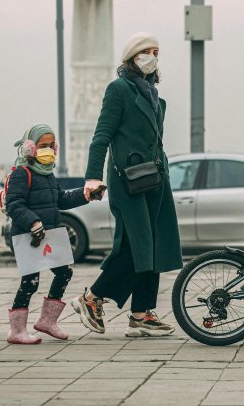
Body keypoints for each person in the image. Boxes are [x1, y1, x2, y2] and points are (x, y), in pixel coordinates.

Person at [72, 32, 182, 338]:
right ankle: (91, 298)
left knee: (155, 243)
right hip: (127, 179)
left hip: (155, 178)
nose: (152, 56)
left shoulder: (154, 96)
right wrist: (93, 177)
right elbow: (101, 136)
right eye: (146, 51)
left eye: (156, 51)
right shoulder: (119, 89)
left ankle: (142, 314)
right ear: (131, 56)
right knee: (139, 245)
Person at [4, 124, 88, 344]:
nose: (48, 150)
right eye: (43, 146)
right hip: (28, 237)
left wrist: (86, 194)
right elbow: (14, 204)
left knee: (64, 272)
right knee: (30, 281)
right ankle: (17, 330)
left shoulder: (48, 174)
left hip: (48, 236)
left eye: (51, 146)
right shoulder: (21, 173)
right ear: (30, 148)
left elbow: (62, 199)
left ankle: (47, 321)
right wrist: (33, 222)